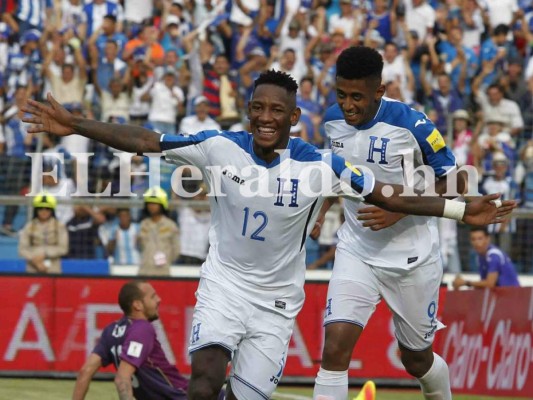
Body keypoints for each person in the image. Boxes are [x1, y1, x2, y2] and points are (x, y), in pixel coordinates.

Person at [23, 70, 513, 400]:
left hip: (276, 308)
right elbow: (147, 140)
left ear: (294, 118)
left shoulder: (322, 165)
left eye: (276, 111)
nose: (264, 118)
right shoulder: (218, 147)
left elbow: (390, 198)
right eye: (257, 108)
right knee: (203, 385)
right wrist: (77, 126)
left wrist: (458, 209)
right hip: (222, 288)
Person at [312, 46, 473, 400]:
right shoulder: (330, 120)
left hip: (412, 259)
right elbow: (337, 171)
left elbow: (457, 180)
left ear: (379, 92)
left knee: (415, 360)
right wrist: (321, 208)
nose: (348, 105)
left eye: (357, 97)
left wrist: (398, 209)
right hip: (356, 250)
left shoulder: (411, 124)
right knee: (334, 349)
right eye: (341, 95)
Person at [71, 280, 191, 400]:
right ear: (137, 305)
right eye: (153, 296)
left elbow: (85, 372)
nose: (158, 299)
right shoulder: (142, 329)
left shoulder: (111, 331)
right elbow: (122, 378)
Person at [453, 227, 520, 289]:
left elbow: (490, 284)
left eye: (480, 239)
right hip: (501, 295)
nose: (476, 242)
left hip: (511, 295)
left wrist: (465, 283)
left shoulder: (494, 255)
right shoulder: (480, 256)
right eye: (473, 239)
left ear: (488, 239)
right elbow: (484, 283)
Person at [18, 193, 69, 274]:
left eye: (47, 209)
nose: (44, 211)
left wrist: (45, 255)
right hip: (32, 267)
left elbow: (63, 248)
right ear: (36, 210)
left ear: (51, 210)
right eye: (40, 208)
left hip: (53, 267)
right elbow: (22, 249)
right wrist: (35, 260)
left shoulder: (59, 226)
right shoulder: (29, 227)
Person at [137, 186, 180, 276]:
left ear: (162, 205)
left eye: (155, 203)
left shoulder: (170, 225)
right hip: (144, 271)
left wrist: (166, 260)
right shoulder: (143, 224)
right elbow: (139, 246)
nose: (151, 206)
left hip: (162, 272)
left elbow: (176, 250)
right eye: (149, 203)